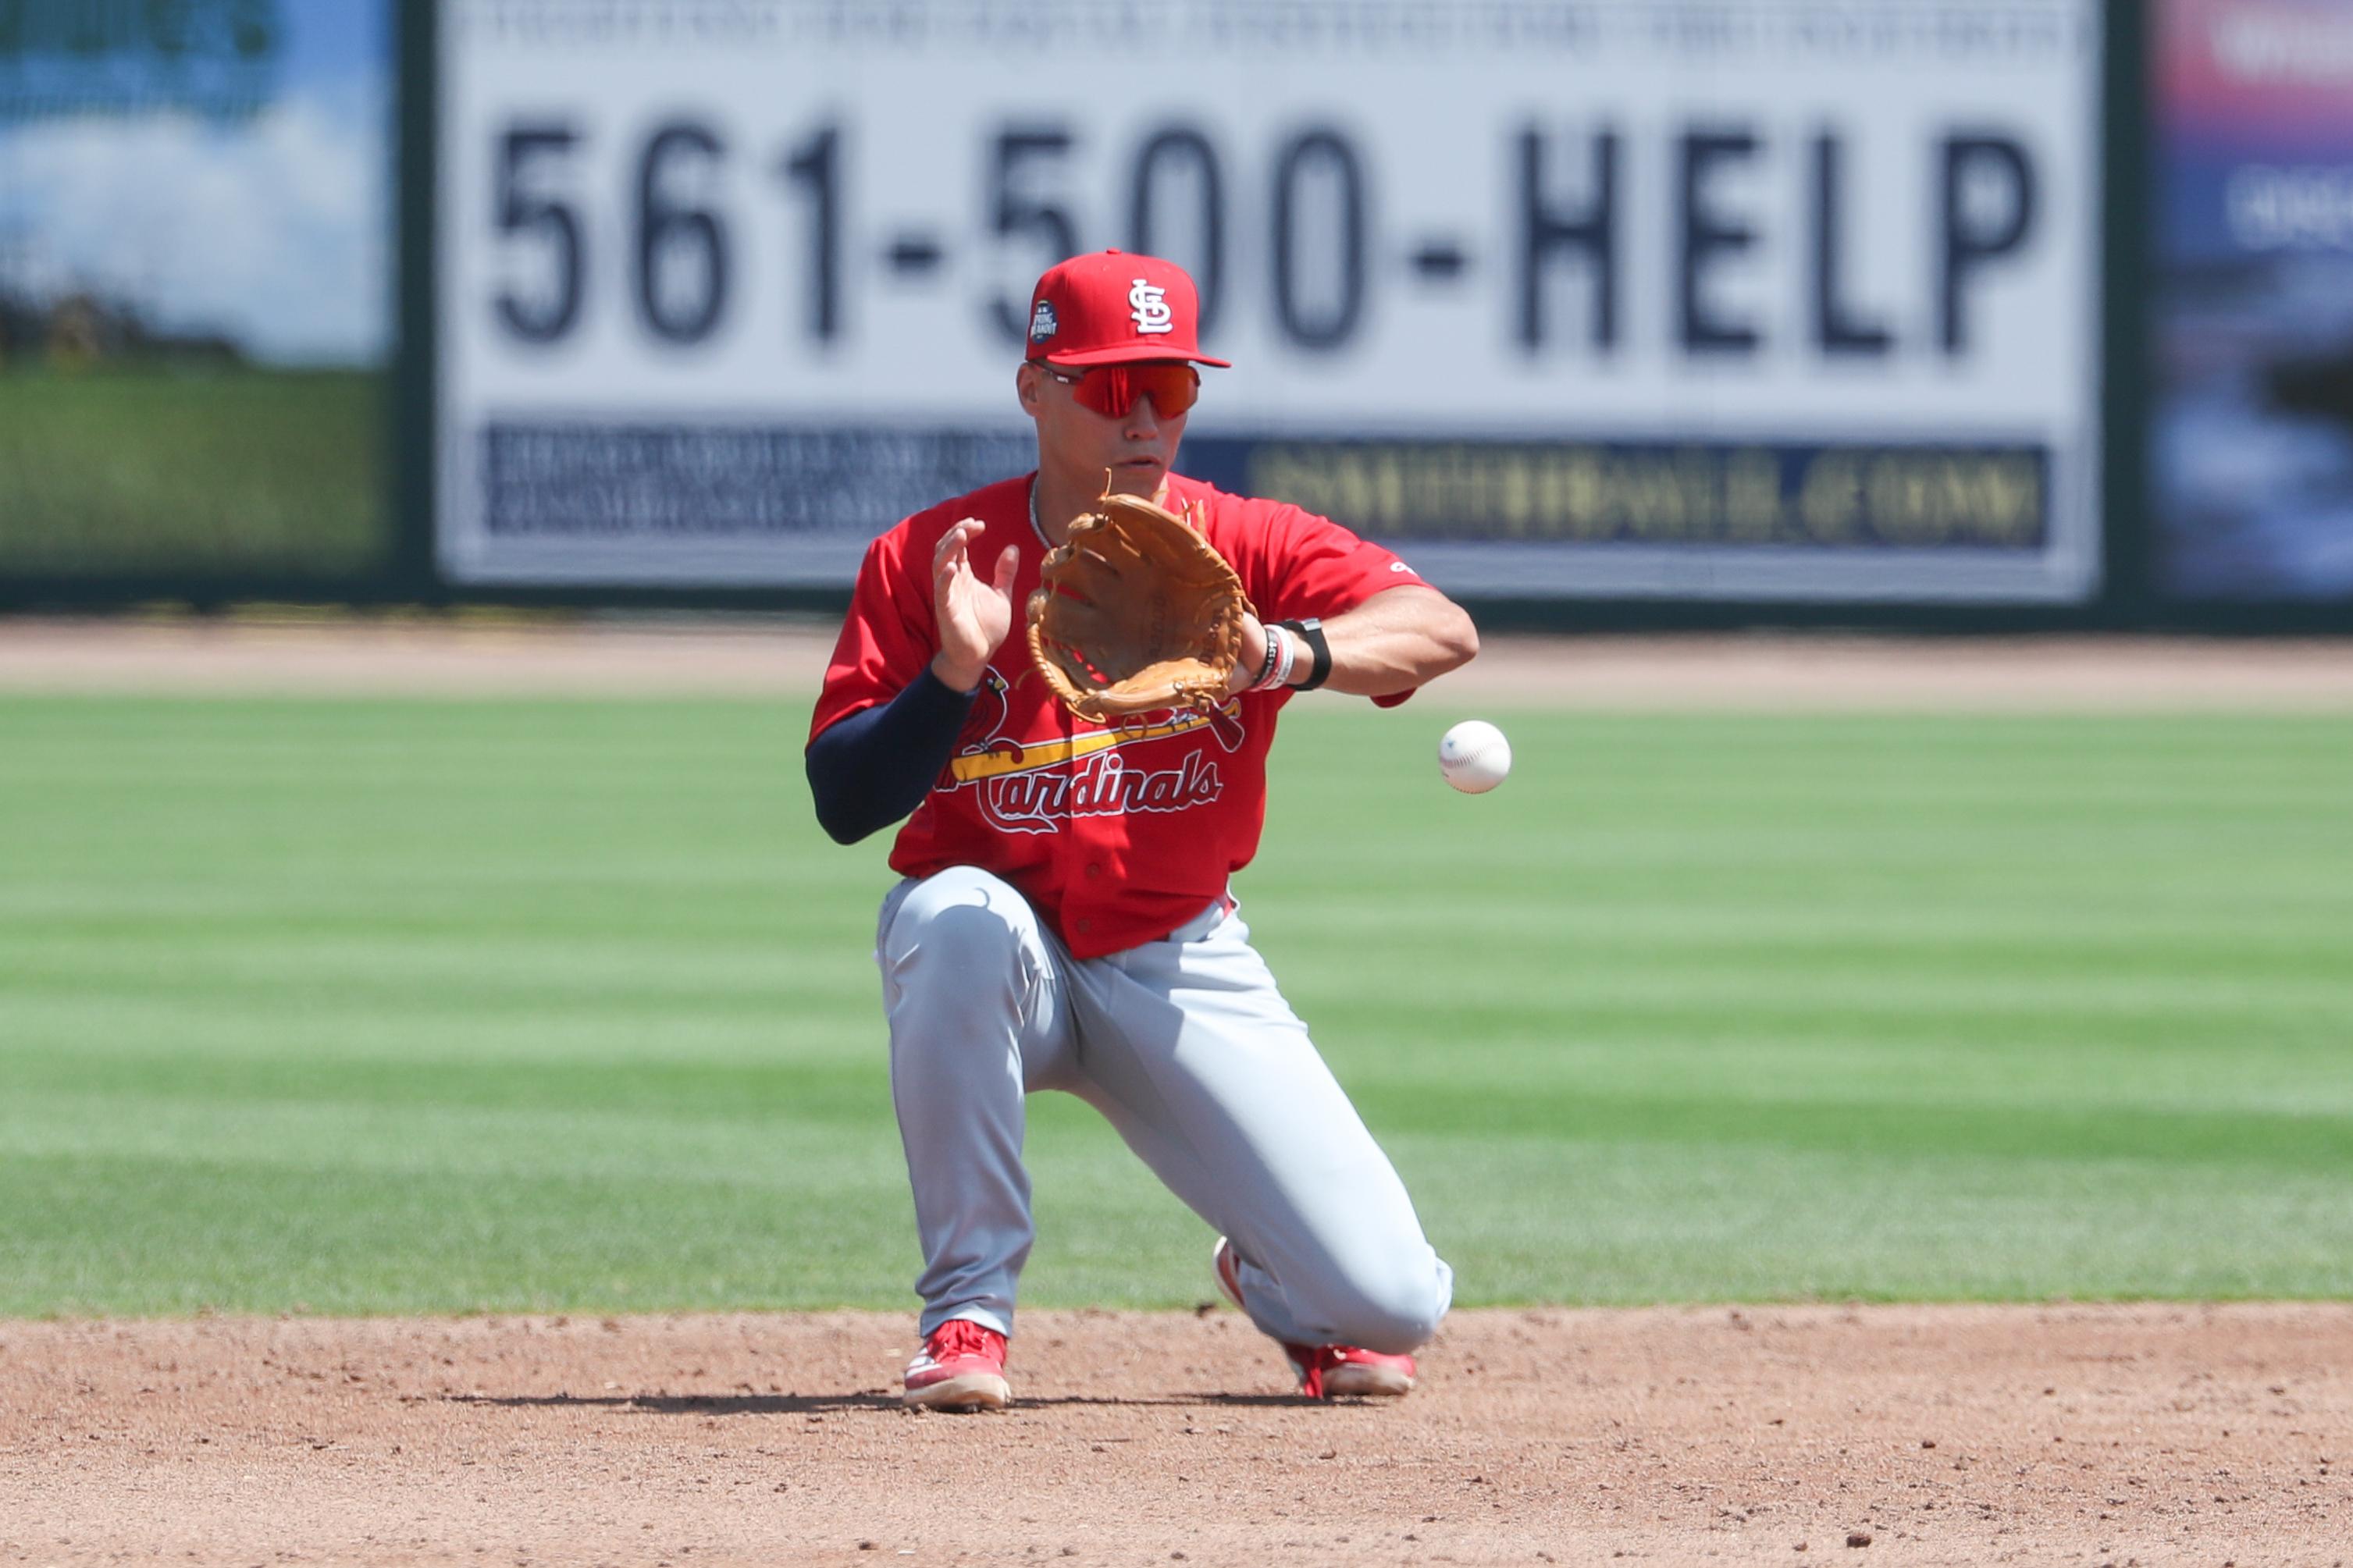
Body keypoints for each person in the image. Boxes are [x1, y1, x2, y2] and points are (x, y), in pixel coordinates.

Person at [806, 250, 1479, 1410]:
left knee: (1392, 1306)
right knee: (954, 916)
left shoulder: (1241, 543)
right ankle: (965, 1314)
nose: (1142, 417)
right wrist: (951, 674)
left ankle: (1281, 1274)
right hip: (1000, 953)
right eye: (1109, 387)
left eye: (1167, 388)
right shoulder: (935, 557)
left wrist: (1282, 651)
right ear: (1034, 391)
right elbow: (842, 799)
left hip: (1174, 953)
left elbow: (1438, 627)